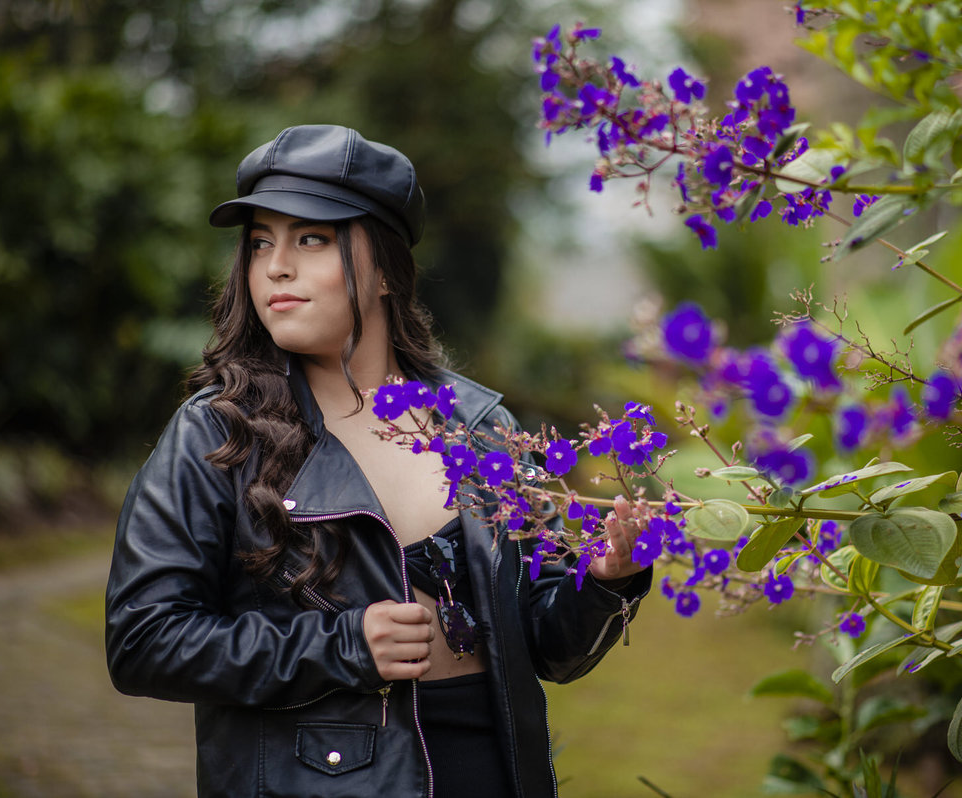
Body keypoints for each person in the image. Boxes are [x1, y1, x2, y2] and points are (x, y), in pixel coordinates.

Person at [105, 124, 652, 798]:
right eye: (259, 243)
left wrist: (604, 581)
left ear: (389, 267)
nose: (276, 266)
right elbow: (144, 640)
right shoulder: (218, 436)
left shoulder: (483, 431)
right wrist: (343, 648)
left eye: (311, 238)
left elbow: (543, 647)